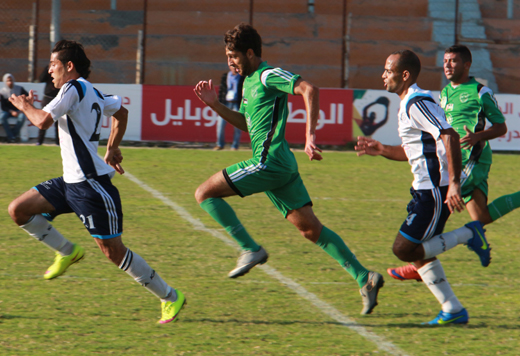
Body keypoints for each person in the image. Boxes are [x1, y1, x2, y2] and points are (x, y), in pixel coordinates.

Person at [193, 24, 384, 315]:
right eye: (227, 56)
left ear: (250, 53)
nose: (229, 62)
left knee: (204, 193)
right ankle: (364, 277)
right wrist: (216, 105)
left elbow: (309, 89)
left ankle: (250, 249)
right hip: (278, 165)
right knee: (310, 229)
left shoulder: (268, 74)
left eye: (233, 55)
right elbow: (248, 123)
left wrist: (310, 136)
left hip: (268, 161)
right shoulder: (248, 82)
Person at [7, 39, 187, 324]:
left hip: (91, 186)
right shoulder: (90, 90)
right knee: (19, 209)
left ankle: (169, 296)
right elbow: (121, 112)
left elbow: (42, 121)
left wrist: (23, 105)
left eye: (53, 65)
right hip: (70, 183)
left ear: (69, 66)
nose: (49, 70)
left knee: (113, 252)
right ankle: (68, 251)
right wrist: (113, 147)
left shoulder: (72, 88)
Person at [355, 50, 492, 326]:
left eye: (388, 70)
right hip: (424, 189)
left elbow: (449, 134)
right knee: (417, 251)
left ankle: (469, 234)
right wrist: (382, 149)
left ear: (404, 75)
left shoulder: (416, 102)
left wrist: (453, 183)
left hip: (434, 192)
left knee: (405, 249)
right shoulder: (409, 102)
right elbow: (417, 150)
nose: (383, 75)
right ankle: (452, 308)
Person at [386, 45, 520, 283]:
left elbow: (501, 127)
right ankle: (430, 255)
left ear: (467, 65)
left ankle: (419, 260)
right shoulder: (446, 92)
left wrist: (478, 137)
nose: (447, 65)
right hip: (453, 156)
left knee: (444, 197)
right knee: (481, 216)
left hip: (471, 156)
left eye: (453, 61)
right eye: (445, 61)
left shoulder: (480, 92)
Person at [214, 63, 243, 150]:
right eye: (232, 66)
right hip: (226, 103)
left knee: (238, 125)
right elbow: (222, 90)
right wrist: (219, 104)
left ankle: (235, 145)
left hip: (237, 103)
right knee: (220, 124)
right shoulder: (225, 76)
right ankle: (220, 144)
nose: (234, 68)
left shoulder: (242, 77)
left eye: (236, 66)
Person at [0, 73, 28, 142]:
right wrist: (11, 111)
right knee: (2, 117)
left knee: (22, 117)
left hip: (18, 110)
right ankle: (12, 136)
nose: (10, 82)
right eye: (8, 81)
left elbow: (28, 98)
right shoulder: (2, 92)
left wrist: (22, 109)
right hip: (9, 111)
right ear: (5, 82)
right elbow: (3, 107)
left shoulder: (19, 89)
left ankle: (11, 136)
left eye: (11, 80)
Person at [36, 67, 60, 145]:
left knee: (58, 122)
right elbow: (41, 79)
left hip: (58, 98)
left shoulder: (61, 70)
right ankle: (40, 141)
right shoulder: (49, 70)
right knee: (44, 119)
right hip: (48, 98)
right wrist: (48, 69)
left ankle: (58, 142)